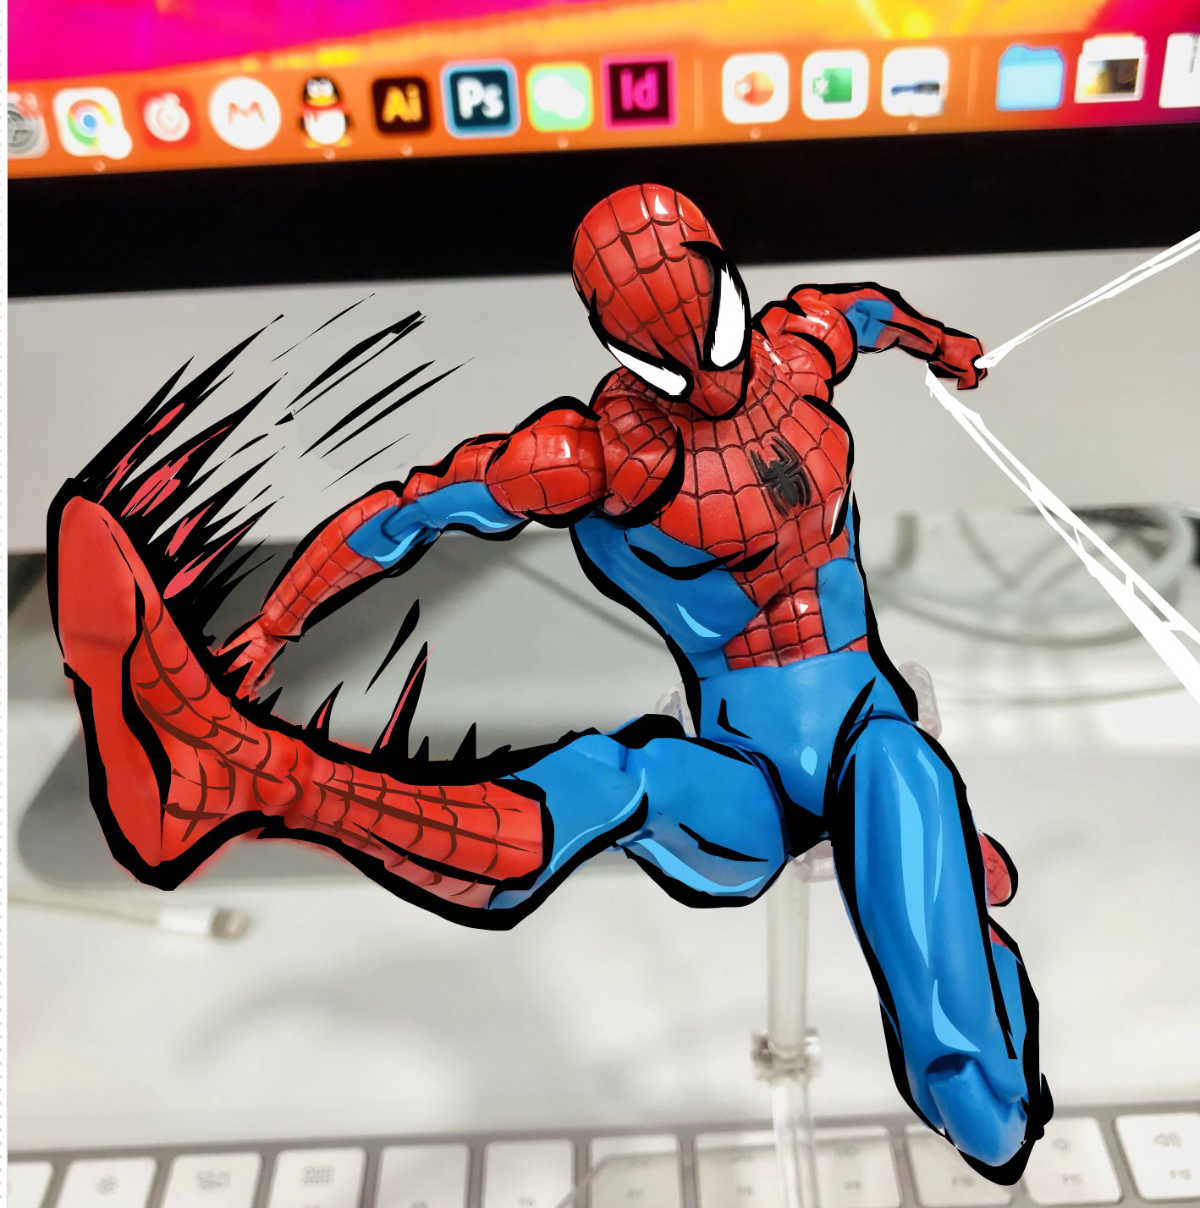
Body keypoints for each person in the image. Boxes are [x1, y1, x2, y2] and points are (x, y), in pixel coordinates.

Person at [54, 184, 1048, 1178]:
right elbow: (406, 512)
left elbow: (866, 312)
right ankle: (258, 781)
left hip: (872, 737)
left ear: (726, 277)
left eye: (713, 332)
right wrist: (275, 621)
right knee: (615, 777)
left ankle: (960, 921)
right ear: (617, 344)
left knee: (982, 1100)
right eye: (667, 361)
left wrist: (945, 346)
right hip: (741, 783)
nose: (707, 384)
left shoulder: (798, 352)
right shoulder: (598, 458)